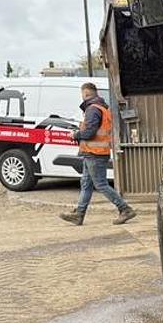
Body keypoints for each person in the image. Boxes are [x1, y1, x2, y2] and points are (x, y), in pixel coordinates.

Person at [59, 83, 136, 226]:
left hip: (95, 153)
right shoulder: (101, 108)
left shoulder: (92, 109)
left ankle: (125, 209)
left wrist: (75, 135)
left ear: (85, 94)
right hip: (94, 153)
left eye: (82, 95)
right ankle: (79, 214)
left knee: (100, 184)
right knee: (86, 185)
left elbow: (89, 133)